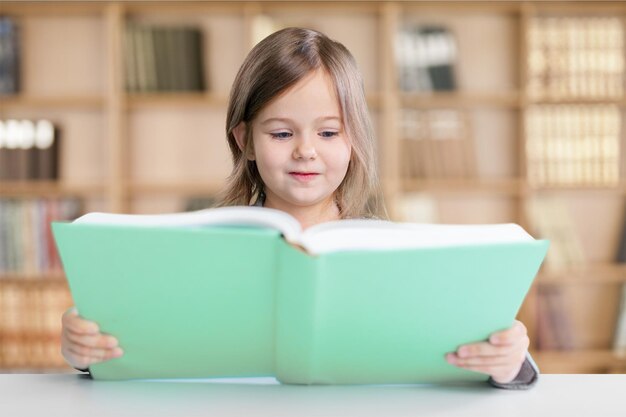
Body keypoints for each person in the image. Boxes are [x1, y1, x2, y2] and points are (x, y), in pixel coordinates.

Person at [61, 27, 538, 389]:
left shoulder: (394, 251)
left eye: (329, 132)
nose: (306, 151)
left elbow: (479, 360)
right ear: (245, 141)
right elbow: (138, 349)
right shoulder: (196, 249)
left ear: (354, 140)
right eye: (282, 133)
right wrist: (84, 351)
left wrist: (509, 362)